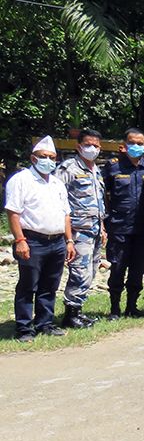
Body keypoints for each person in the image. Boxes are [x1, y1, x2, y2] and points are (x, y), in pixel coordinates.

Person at [5, 136, 74, 341]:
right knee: (28, 286)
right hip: (32, 240)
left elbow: (66, 214)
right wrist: (20, 240)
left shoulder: (56, 183)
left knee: (50, 285)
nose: (49, 161)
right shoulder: (21, 180)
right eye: (44, 156)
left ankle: (45, 323)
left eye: (52, 157)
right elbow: (13, 212)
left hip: (57, 241)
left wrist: (69, 240)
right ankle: (24, 329)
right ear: (33, 158)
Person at [57, 129, 106, 328]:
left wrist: (102, 228)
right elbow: (58, 199)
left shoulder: (96, 170)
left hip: (94, 229)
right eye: (87, 144)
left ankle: (78, 311)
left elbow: (98, 201)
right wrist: (67, 234)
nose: (91, 148)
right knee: (79, 272)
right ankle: (70, 314)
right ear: (79, 146)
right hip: (78, 230)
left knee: (91, 271)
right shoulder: (68, 168)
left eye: (95, 145)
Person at [103, 128, 144, 319]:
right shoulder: (112, 167)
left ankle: (132, 306)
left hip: (142, 228)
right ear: (124, 145)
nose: (136, 146)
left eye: (140, 143)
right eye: (132, 143)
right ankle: (114, 308)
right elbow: (103, 195)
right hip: (119, 227)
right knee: (117, 267)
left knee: (138, 268)